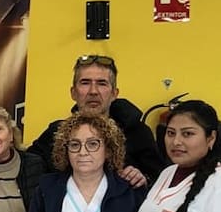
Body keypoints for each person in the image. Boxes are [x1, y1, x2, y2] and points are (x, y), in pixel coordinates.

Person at [27, 54, 161, 186]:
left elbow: (161, 182)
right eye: (85, 83)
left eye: (102, 83)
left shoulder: (138, 133)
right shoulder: (55, 133)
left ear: (114, 93)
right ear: (73, 92)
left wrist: (144, 179)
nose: (93, 91)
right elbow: (26, 167)